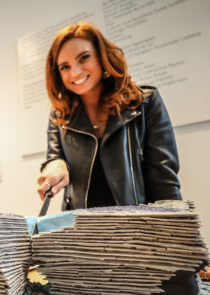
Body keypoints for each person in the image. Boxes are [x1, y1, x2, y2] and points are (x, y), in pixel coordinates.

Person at [36, 22, 181, 210]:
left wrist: (175, 231)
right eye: (65, 67)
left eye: (84, 58)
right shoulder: (60, 114)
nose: (76, 72)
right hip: (81, 231)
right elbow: (54, 157)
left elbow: (165, 182)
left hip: (137, 229)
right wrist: (55, 165)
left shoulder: (145, 102)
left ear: (101, 56)